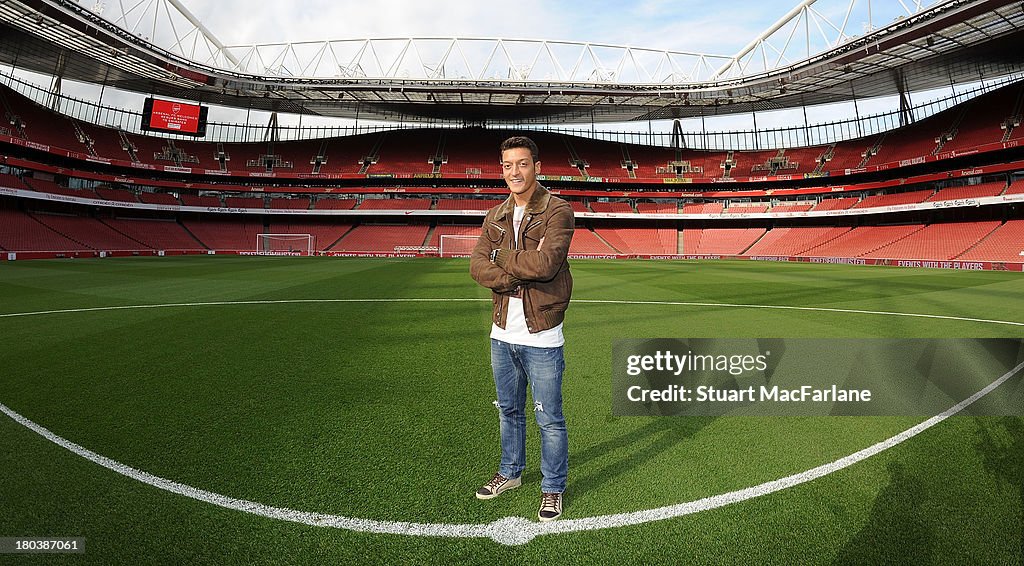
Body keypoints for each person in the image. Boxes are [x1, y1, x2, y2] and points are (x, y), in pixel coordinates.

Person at [469, 135, 574, 522]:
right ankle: (510, 473)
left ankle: (552, 488)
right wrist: (513, 276)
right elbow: (477, 266)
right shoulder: (494, 215)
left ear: (536, 166)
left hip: (541, 335)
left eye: (523, 164)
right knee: (508, 410)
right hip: (502, 334)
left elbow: (545, 264)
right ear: (503, 169)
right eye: (508, 165)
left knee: (548, 417)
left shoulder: (557, 210)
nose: (515, 171)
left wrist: (499, 256)